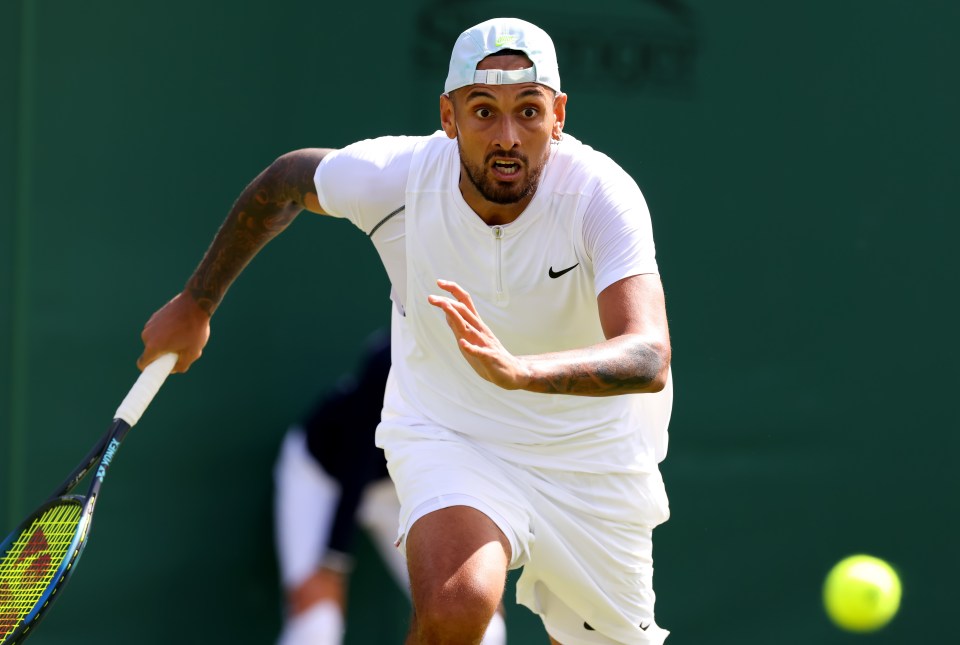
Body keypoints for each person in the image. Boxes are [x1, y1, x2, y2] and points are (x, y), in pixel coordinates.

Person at [138, 17, 674, 645]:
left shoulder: (601, 195)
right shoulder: (398, 179)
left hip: (594, 464)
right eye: (483, 111)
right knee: (457, 610)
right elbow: (285, 181)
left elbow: (649, 354)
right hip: (454, 435)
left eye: (528, 111)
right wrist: (196, 303)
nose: (507, 137)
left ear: (558, 115)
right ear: (448, 116)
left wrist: (522, 373)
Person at [274, 331, 506, 645]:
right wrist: (331, 564)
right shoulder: (388, 357)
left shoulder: (488, 360)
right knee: (318, 624)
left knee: (483, 626)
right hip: (322, 477)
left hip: (396, 490)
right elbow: (356, 462)